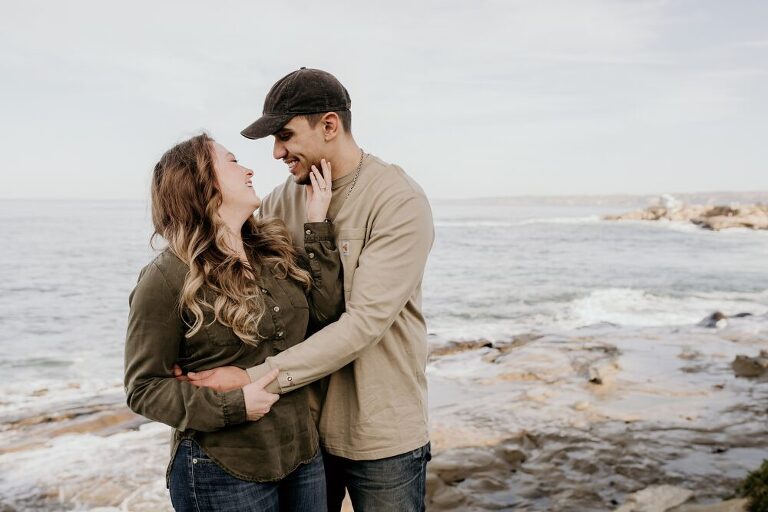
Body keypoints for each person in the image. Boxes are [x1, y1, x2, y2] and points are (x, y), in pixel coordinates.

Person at [180, 68, 435, 511]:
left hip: (380, 431)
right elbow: (230, 262)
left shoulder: (397, 200)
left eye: (285, 136)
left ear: (330, 126)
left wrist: (250, 379)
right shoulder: (283, 199)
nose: (277, 152)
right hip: (303, 434)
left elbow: (362, 324)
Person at [124, 133, 344, 512]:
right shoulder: (166, 277)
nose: (249, 169)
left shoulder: (271, 249)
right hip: (222, 469)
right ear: (201, 181)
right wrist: (234, 405)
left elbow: (326, 315)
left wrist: (316, 225)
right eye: (233, 161)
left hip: (302, 454)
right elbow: (143, 388)